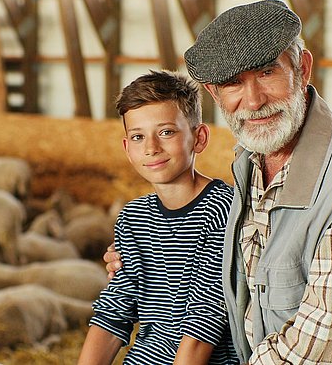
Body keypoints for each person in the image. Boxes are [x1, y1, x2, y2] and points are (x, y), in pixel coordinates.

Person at [104, 0, 332, 364]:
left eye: (267, 73)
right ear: (215, 94)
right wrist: (146, 258)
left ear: (303, 68)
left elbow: (323, 336)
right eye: (233, 83)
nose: (252, 101)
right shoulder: (251, 160)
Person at [77, 70, 238, 364]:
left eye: (166, 132)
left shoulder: (223, 210)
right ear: (127, 149)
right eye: (138, 137)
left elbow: (203, 325)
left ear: (198, 138)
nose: (151, 148)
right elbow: (114, 312)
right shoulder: (133, 217)